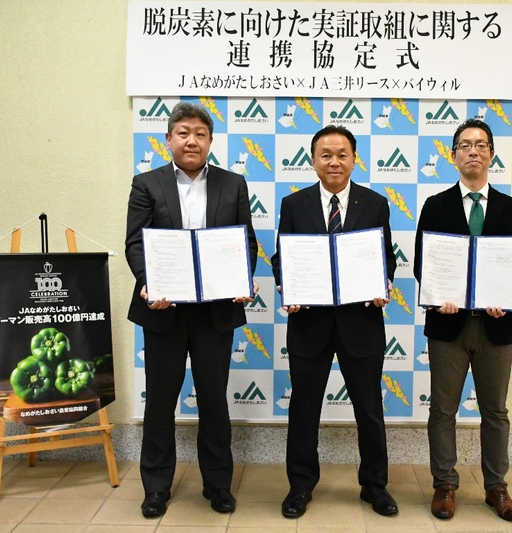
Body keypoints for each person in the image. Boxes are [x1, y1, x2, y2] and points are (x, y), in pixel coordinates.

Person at [125, 102, 258, 519]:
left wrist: (242, 278)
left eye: (200, 134)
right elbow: (135, 242)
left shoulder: (233, 183)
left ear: (210, 141)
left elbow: (245, 241)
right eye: (183, 132)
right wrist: (149, 281)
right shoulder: (147, 183)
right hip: (163, 309)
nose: (191, 140)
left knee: (214, 402)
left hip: (214, 312)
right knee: (160, 401)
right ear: (168, 139)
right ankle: (156, 487)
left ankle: (217, 485)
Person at [270, 125, 398, 519]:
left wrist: (384, 281)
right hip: (310, 323)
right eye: (325, 155)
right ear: (313, 161)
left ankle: (374, 485)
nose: (334, 162)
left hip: (361, 322)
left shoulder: (375, 203)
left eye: (342, 154)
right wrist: (286, 284)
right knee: (304, 410)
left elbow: (385, 256)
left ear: (354, 159)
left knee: (369, 409)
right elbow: (282, 256)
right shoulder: (295, 204)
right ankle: (300, 486)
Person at [413, 118, 512, 522]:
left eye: (481, 145)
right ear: (453, 156)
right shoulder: (436, 206)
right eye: (465, 145)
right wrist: (438, 298)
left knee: (495, 411)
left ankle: (496, 486)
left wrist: (507, 299)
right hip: (448, 326)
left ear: (492, 155)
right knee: (442, 410)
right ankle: (444, 484)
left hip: (496, 327)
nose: (473, 151)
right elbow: (423, 264)